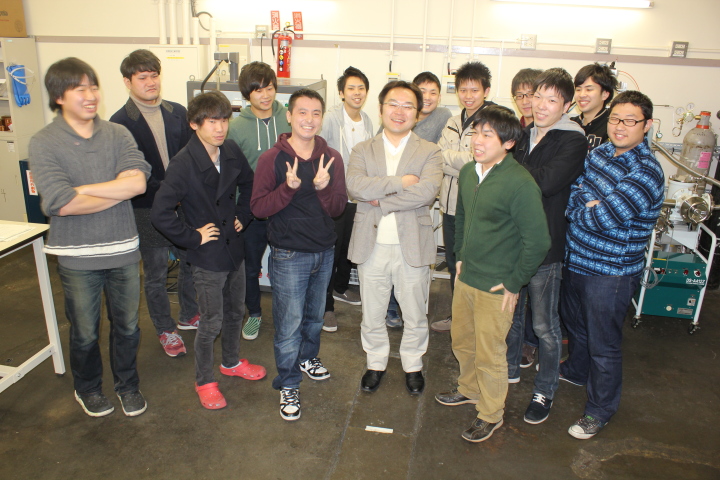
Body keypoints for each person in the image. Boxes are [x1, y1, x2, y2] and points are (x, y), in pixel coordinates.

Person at [29, 57, 151, 417]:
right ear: (59, 96)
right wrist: (114, 190)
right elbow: (61, 204)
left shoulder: (117, 134)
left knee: (128, 327)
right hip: (77, 256)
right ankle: (88, 388)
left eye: (93, 86)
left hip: (123, 249)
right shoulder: (44, 142)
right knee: (84, 332)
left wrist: (82, 190)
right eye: (79, 88)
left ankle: (128, 385)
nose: (91, 95)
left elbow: (138, 183)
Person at [435, 105, 550, 443]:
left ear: (509, 143)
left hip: (497, 285)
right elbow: (461, 217)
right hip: (467, 276)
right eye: (475, 133)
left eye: (488, 135)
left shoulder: (520, 183)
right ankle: (469, 389)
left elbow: (538, 242)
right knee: (462, 340)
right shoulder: (469, 172)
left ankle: (490, 413)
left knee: (490, 353)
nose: (477, 140)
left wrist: (515, 282)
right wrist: (459, 258)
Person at [151, 90, 265, 410]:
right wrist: (192, 237)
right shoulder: (183, 163)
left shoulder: (229, 149)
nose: (220, 128)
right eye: (212, 121)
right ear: (194, 123)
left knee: (235, 311)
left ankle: (231, 362)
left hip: (234, 247)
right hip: (207, 255)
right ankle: (204, 380)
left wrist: (244, 215)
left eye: (224, 120)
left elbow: (250, 184)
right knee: (211, 320)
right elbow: (160, 213)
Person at [561, 91, 664, 439]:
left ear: (646, 125)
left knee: (604, 346)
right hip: (577, 259)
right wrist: (585, 206)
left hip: (611, 273)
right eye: (616, 119)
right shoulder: (600, 153)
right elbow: (574, 191)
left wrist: (585, 209)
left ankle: (599, 410)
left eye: (630, 120)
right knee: (577, 327)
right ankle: (576, 371)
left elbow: (606, 217)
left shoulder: (646, 171)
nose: (620, 126)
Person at [251, 89, 347, 421]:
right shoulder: (271, 159)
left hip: (324, 250)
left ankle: (307, 358)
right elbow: (258, 208)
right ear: (289, 116)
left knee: (315, 317)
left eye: (316, 113)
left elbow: (338, 208)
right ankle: (289, 382)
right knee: (289, 324)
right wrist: (287, 188)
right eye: (302, 112)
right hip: (289, 254)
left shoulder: (331, 158)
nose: (309, 119)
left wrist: (322, 188)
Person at [346, 80, 442, 396]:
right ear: (381, 108)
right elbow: (356, 186)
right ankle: (376, 362)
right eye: (393, 104)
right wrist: (400, 182)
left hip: (412, 244)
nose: (400, 112)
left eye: (407, 106)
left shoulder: (430, 151)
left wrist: (382, 200)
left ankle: (413, 365)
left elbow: (426, 191)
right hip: (370, 244)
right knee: (372, 312)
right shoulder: (363, 149)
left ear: (417, 113)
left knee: (415, 312)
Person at [509, 68, 587, 424]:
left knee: (544, 326)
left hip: (545, 246)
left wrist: (509, 174)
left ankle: (545, 390)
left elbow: (546, 182)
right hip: (512, 243)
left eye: (551, 100)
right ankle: (509, 370)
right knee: (510, 316)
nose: (540, 105)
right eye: (537, 96)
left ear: (567, 106)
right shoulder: (523, 135)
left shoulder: (572, 140)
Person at [110, 49, 198, 358]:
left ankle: (189, 313)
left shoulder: (178, 112)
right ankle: (165, 328)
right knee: (157, 272)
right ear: (127, 82)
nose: (151, 82)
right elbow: (127, 173)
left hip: (184, 205)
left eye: (154, 75)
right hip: (147, 208)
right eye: (142, 77)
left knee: (191, 260)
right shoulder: (119, 123)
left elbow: (192, 157)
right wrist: (170, 191)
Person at [227, 62, 291, 341]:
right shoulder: (235, 127)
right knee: (250, 268)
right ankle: (254, 313)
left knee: (287, 266)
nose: (265, 95)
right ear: (247, 94)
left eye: (269, 88)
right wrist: (235, 211)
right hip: (251, 211)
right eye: (258, 90)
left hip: (286, 209)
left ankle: (288, 314)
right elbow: (230, 173)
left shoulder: (289, 119)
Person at [384, 71, 453, 329]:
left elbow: (440, 158)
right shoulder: (394, 120)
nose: (428, 97)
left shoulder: (443, 117)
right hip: (393, 191)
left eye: (433, 92)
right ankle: (392, 308)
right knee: (390, 255)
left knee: (412, 260)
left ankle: (412, 314)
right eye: (422, 92)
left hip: (418, 197)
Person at [431, 61, 495, 333]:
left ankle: (476, 322)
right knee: (453, 263)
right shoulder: (452, 121)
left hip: (475, 207)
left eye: (474, 90)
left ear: (486, 91)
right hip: (449, 206)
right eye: (463, 90)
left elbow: (480, 162)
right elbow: (437, 156)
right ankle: (458, 318)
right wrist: (463, 161)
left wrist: (455, 160)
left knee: (473, 265)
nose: (468, 96)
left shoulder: (491, 122)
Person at [320, 66, 372, 332]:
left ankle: (340, 287)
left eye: (361, 88)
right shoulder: (330, 118)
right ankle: (326, 306)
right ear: (341, 93)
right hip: (335, 195)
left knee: (349, 248)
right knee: (332, 248)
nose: (356, 93)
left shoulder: (368, 121)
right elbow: (319, 151)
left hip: (359, 196)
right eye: (351, 88)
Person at [507, 67, 543, 372]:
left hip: (538, 219)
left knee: (536, 293)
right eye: (520, 95)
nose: (526, 100)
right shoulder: (516, 128)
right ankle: (513, 349)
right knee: (515, 294)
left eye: (531, 94)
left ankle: (530, 343)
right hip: (512, 221)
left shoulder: (548, 133)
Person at [571, 63, 618, 151]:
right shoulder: (570, 124)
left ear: (605, 94)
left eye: (589, 89)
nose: (582, 95)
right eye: (578, 89)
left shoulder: (613, 125)